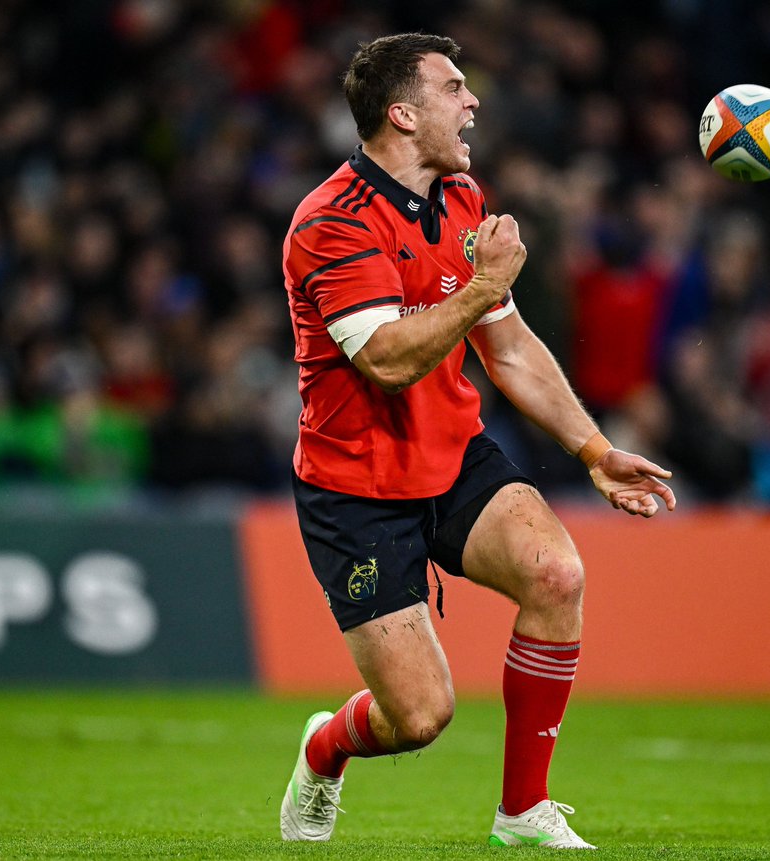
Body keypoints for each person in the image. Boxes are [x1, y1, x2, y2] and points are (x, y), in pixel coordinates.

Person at [278, 33, 675, 850]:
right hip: (356, 488)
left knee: (557, 573)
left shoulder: (462, 200)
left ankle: (523, 810)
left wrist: (595, 452)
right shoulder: (330, 222)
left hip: (454, 455)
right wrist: (487, 284)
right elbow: (388, 359)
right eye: (453, 88)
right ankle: (324, 748)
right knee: (420, 716)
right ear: (402, 112)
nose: (473, 102)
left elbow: (509, 346)